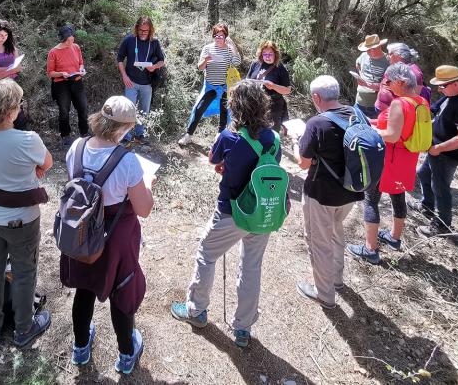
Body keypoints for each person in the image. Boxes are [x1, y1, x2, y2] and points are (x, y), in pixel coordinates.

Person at [170, 80, 279, 348]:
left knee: (206, 255)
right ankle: (243, 328)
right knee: (252, 266)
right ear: (262, 104)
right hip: (263, 211)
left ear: (235, 105)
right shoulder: (273, 138)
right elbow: (267, 166)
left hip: (232, 210)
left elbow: (214, 160)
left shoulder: (228, 137)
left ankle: (196, 310)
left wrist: (227, 166)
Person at [61, 97, 154, 375]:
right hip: (115, 236)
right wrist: (147, 184)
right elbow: (144, 209)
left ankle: (80, 348)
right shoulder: (128, 161)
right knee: (121, 290)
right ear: (124, 128)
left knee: (84, 287)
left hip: (81, 232)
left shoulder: (76, 147)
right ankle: (126, 354)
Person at [0, 79, 52, 347]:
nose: (19, 109)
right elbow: (47, 163)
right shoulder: (28, 140)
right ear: (9, 112)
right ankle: (23, 329)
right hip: (20, 220)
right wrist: (33, 169)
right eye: (18, 105)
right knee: (24, 271)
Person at [347, 63, 429, 265]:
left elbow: (392, 135)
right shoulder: (420, 102)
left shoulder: (399, 104)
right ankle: (394, 238)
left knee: (371, 200)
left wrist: (370, 132)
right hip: (407, 160)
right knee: (398, 195)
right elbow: (402, 129)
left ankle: (370, 249)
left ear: (401, 82)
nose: (387, 85)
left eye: (389, 81)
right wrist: (373, 123)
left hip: (389, 161)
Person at [293, 75, 363, 308]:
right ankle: (337, 279)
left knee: (319, 241)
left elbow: (303, 162)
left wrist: (295, 141)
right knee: (336, 232)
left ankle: (324, 293)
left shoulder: (317, 123)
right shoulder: (356, 114)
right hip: (351, 191)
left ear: (316, 97)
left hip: (321, 192)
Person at [415, 65, 458, 237]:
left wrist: (438, 148)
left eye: (443, 85)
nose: (439, 89)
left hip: (446, 154)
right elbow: (433, 110)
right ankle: (427, 205)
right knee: (423, 174)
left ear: (456, 83)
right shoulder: (450, 96)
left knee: (440, 187)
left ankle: (442, 224)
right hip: (436, 149)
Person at [177, 23, 243, 145]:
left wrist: (232, 45)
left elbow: (237, 62)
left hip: (224, 87)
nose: (218, 38)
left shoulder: (229, 50)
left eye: (221, 36)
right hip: (210, 86)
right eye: (216, 36)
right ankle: (188, 135)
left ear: (226, 37)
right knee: (198, 109)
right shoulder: (207, 48)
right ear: (213, 36)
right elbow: (200, 67)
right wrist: (206, 60)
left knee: (224, 114)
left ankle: (219, 137)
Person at [116, 16, 166, 144]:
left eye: (146, 31)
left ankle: (140, 135)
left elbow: (162, 61)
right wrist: (124, 76)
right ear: (136, 28)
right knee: (128, 110)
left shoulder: (154, 42)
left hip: (147, 83)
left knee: (144, 110)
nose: (143, 33)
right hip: (131, 81)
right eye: (141, 30)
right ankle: (126, 136)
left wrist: (154, 67)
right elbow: (120, 59)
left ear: (151, 30)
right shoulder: (129, 40)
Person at [0, 20, 29, 130]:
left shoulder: (11, 48)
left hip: (13, 86)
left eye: (6, 35)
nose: (4, 37)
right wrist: (9, 70)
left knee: (18, 114)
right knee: (0, 115)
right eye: (1, 35)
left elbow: (18, 68)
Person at [47, 25, 89, 148]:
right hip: (61, 84)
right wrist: (61, 74)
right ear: (62, 39)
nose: (71, 42)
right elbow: (50, 73)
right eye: (68, 40)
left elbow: (81, 63)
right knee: (64, 110)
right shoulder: (53, 52)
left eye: (72, 39)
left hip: (77, 80)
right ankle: (65, 135)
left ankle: (84, 133)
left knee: (83, 107)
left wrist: (81, 69)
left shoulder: (76, 47)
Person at [247, 41, 292, 133]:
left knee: (271, 134)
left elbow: (287, 90)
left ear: (275, 54)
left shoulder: (280, 68)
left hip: (273, 107)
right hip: (255, 105)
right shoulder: (255, 64)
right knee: (253, 132)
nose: (267, 56)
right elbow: (247, 81)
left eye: (270, 54)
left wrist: (274, 86)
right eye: (265, 54)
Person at [375, 42, 431, 112]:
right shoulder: (395, 67)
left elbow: (414, 95)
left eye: (390, 53)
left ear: (398, 54)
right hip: (385, 108)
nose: (388, 56)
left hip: (394, 112)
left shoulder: (413, 72)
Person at [354, 34, 389, 118]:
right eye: (367, 50)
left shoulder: (388, 61)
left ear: (378, 47)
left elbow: (388, 86)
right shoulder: (363, 56)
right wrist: (360, 74)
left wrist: (366, 84)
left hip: (376, 107)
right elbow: (357, 64)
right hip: (359, 103)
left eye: (370, 49)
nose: (368, 52)